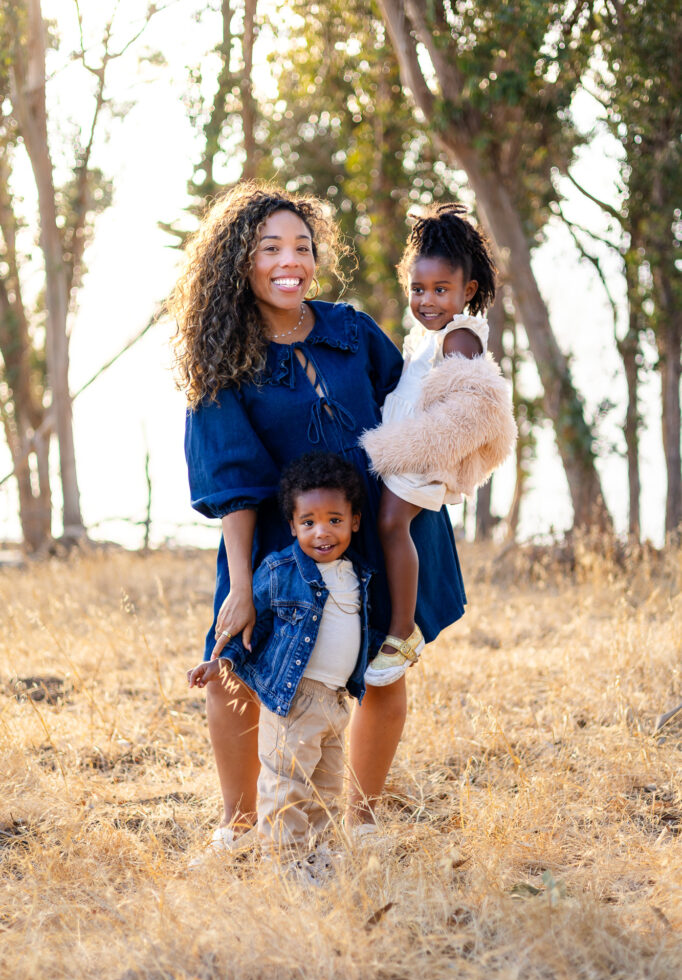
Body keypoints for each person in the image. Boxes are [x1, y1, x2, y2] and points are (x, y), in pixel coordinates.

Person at [169, 181, 468, 853]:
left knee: (381, 667)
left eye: (302, 247)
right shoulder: (221, 359)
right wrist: (241, 585)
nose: (290, 262)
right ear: (239, 261)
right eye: (270, 248)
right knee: (233, 667)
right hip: (283, 543)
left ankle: (360, 821)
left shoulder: (351, 331)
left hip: (373, 528)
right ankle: (239, 827)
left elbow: (413, 402)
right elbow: (234, 483)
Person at [188, 453, 372, 879]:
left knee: (326, 790)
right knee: (286, 785)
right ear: (292, 526)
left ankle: (318, 860)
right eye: (308, 522)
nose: (322, 532)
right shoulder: (279, 571)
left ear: (355, 522)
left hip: (336, 703)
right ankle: (282, 868)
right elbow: (253, 626)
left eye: (334, 520)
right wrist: (221, 662)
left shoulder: (358, 574)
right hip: (293, 700)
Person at [361, 203, 517, 685]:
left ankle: (402, 632)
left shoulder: (460, 337)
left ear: (467, 291)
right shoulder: (427, 335)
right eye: (418, 289)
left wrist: (405, 445)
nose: (427, 300)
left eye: (441, 290)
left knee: (391, 523)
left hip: (421, 454)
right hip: (406, 449)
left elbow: (473, 411)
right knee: (385, 526)